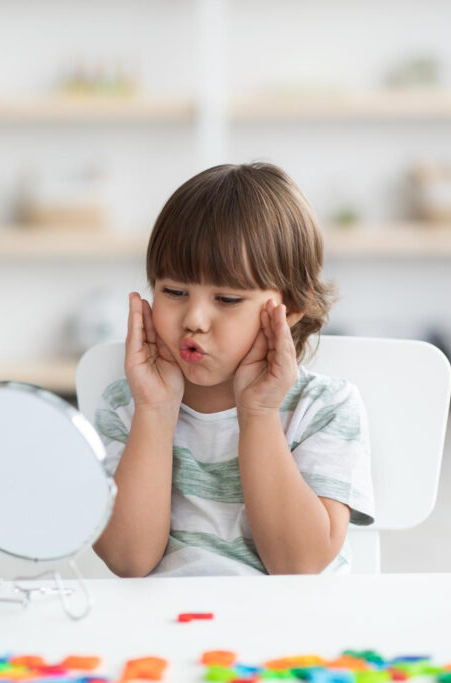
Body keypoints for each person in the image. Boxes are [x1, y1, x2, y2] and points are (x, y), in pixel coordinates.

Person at [91, 163, 374, 578]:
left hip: (288, 630)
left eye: (226, 299)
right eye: (173, 291)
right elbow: (128, 561)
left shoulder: (326, 408)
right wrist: (155, 410)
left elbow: (298, 567)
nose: (195, 319)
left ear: (291, 308)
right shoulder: (126, 404)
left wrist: (258, 413)